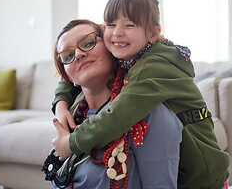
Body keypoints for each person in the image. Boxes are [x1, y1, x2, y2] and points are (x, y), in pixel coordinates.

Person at [52, 0, 230, 189]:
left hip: (202, 176)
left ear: (153, 33)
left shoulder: (152, 67)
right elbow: (70, 72)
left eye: (129, 25)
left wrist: (71, 143)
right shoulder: (128, 56)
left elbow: (117, 115)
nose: (118, 32)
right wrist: (61, 102)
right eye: (111, 24)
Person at [49, 19, 183, 188]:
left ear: (111, 47)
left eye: (88, 43)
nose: (78, 55)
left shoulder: (147, 113)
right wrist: (60, 104)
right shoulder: (70, 118)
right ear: (68, 78)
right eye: (68, 55)